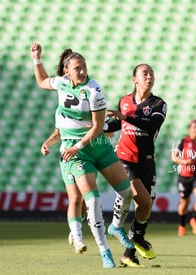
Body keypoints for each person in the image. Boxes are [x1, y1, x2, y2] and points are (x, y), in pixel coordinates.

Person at [31, 42, 134, 268]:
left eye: (84, 66)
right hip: (76, 153)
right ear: (67, 71)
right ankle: (104, 251)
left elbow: (98, 127)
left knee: (127, 193)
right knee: (92, 199)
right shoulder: (61, 83)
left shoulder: (94, 91)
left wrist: (78, 145)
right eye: (77, 68)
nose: (82, 71)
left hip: (96, 145)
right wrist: (37, 59)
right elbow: (41, 81)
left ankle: (115, 226)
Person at [105, 64, 167, 267]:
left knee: (146, 206)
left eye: (151, 74)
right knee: (142, 199)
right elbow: (118, 125)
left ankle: (129, 252)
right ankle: (129, 234)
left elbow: (151, 125)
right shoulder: (124, 101)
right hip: (124, 159)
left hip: (147, 161)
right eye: (145, 74)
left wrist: (125, 117)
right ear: (135, 79)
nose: (149, 77)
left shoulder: (159, 104)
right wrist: (102, 125)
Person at [41, 127, 88, 255]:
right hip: (69, 158)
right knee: (76, 198)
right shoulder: (62, 110)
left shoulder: (92, 110)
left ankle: (76, 227)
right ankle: (78, 238)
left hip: (89, 157)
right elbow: (58, 133)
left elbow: (105, 130)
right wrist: (46, 144)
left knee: (85, 202)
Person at [171, 119, 196, 236]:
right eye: (193, 127)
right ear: (189, 129)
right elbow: (174, 157)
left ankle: (194, 219)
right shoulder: (183, 141)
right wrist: (183, 161)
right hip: (185, 176)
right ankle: (182, 225)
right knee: (185, 202)